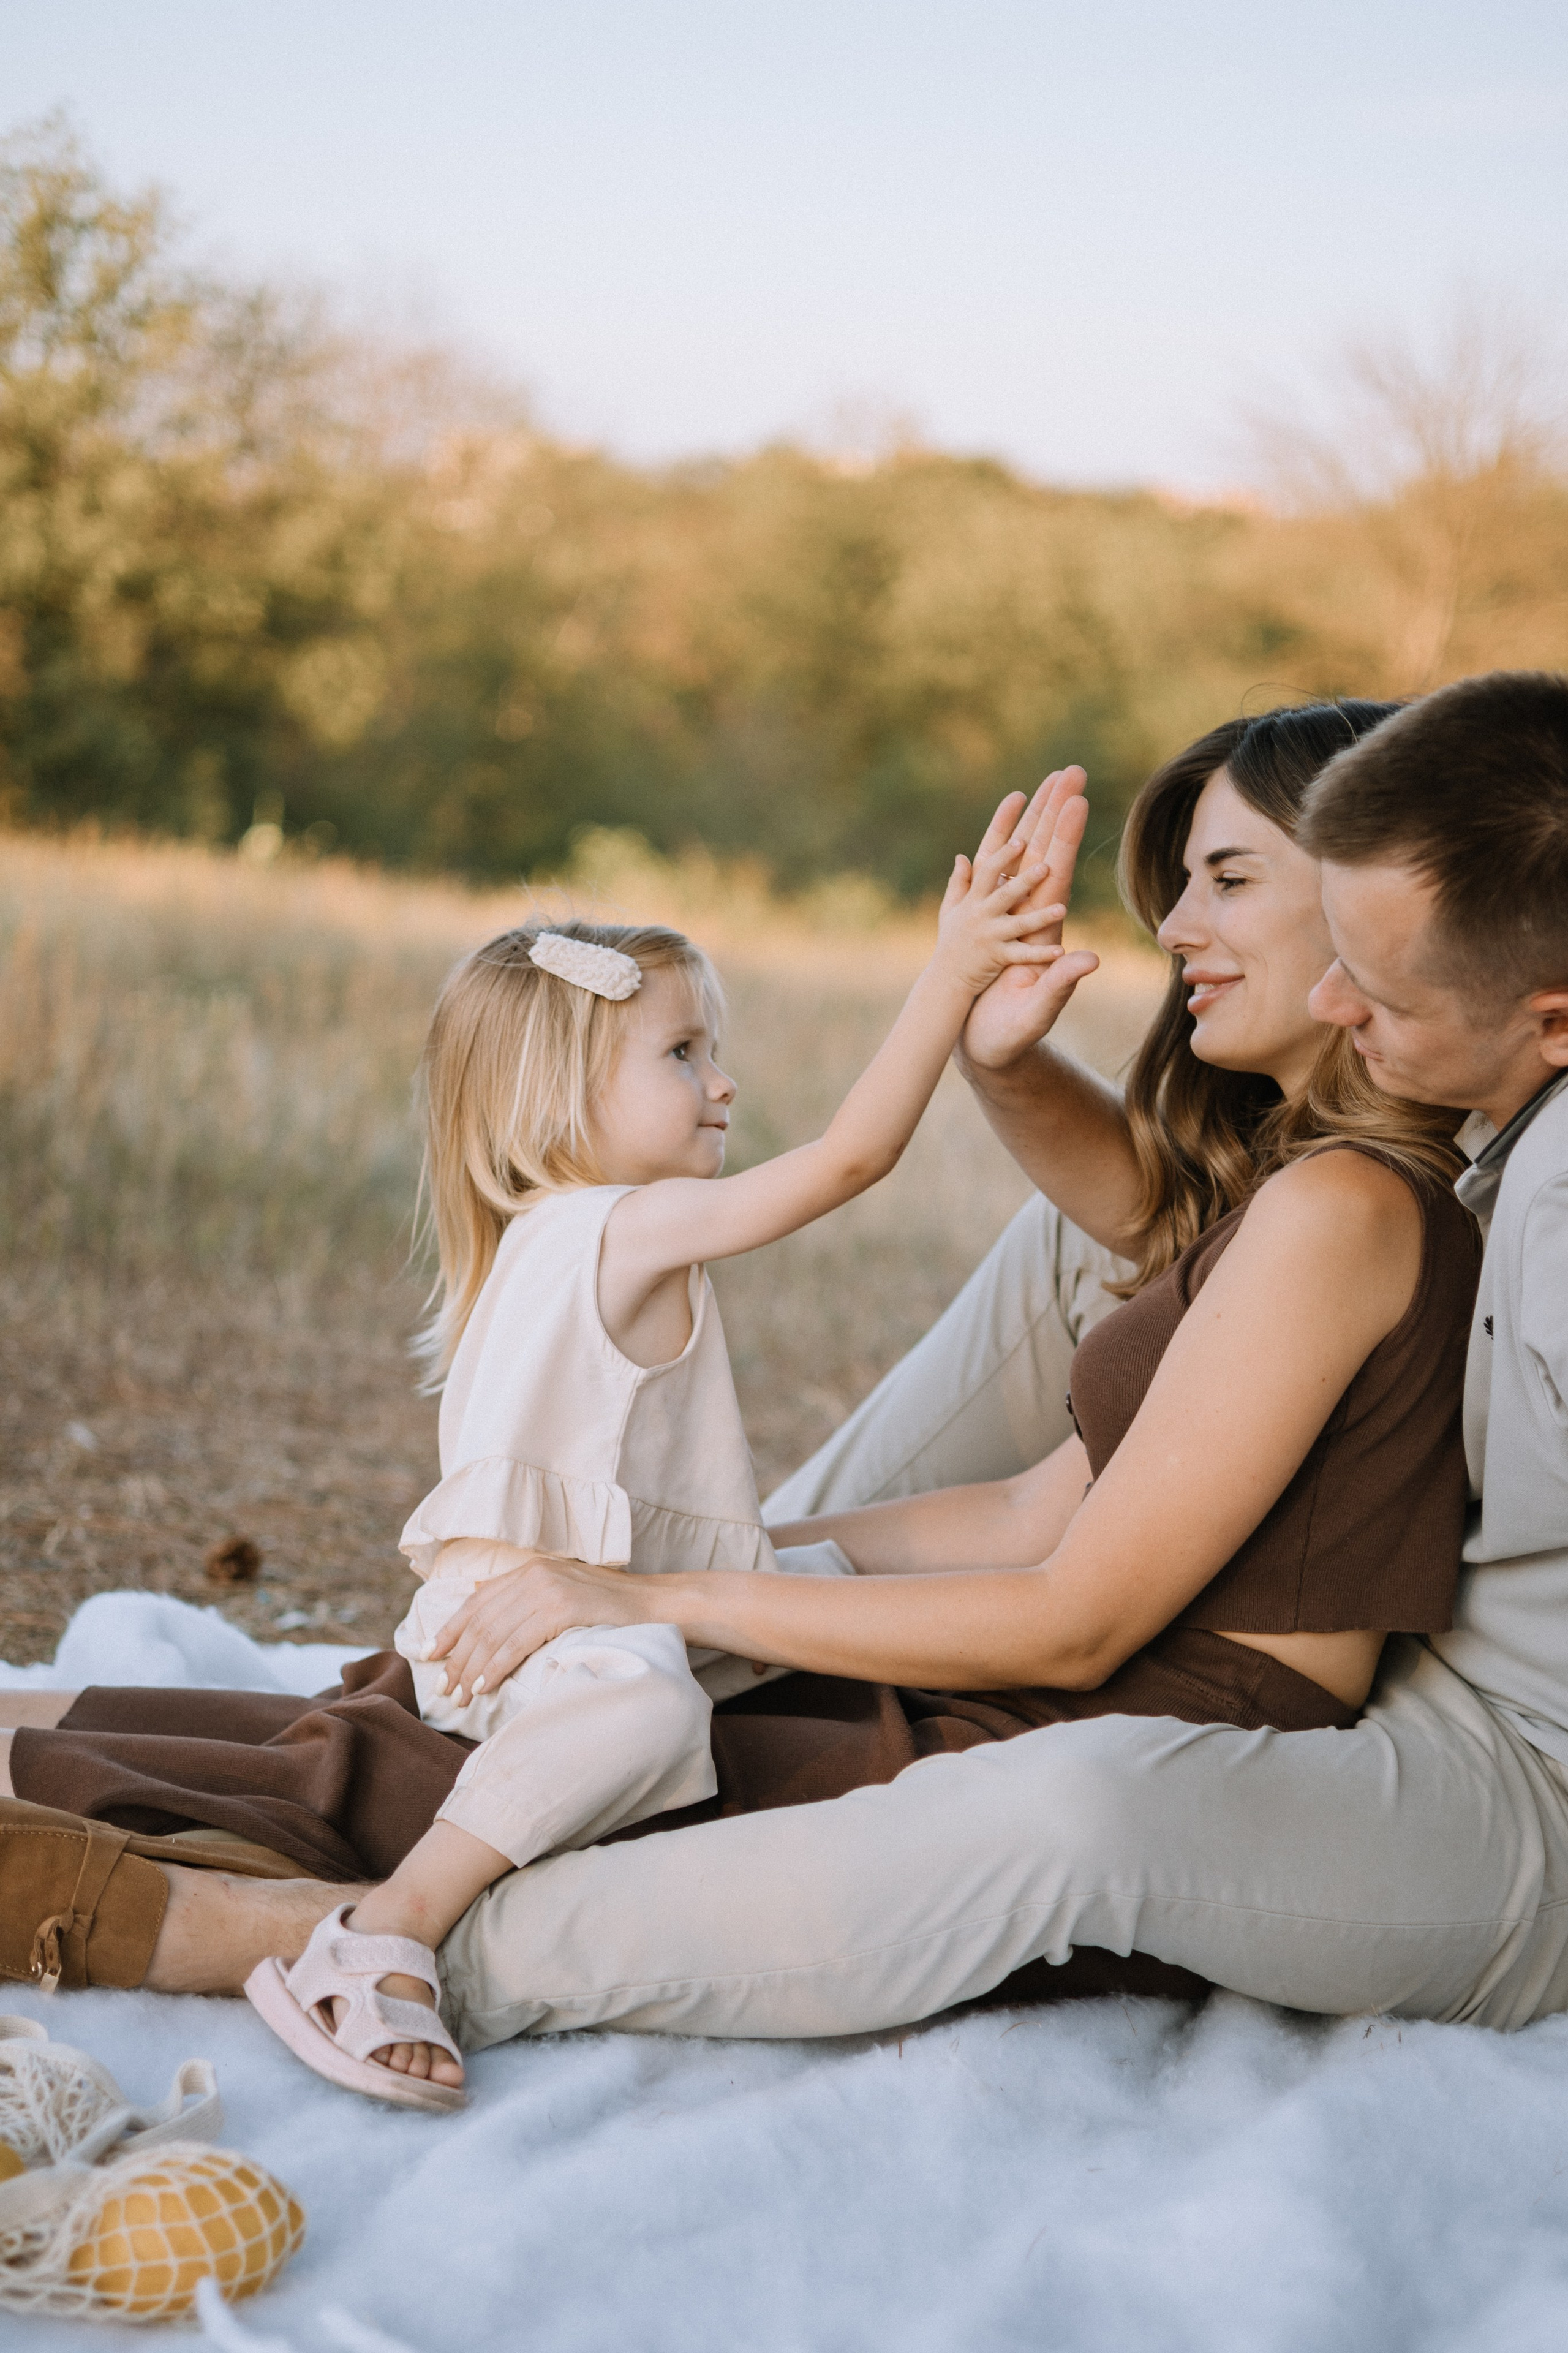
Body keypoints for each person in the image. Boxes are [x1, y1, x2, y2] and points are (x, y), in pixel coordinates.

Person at [1, 694, 1487, 2050]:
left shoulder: (1341, 1210)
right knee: (512, 1695)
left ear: (1373, 899)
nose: (1171, 924)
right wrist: (725, 1566)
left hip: (1153, 1727)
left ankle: (104, 1872)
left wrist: (663, 1596)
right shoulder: (1283, 1191)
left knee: (606, 1757)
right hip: (1102, 1674)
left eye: (1226, 878)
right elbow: (1047, 1508)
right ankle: (53, 1739)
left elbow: (1077, 1617)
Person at [241, 807, 1070, 2105]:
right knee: (646, 1702)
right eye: (682, 1053)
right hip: (540, 1629)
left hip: (578, 1599)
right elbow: (851, 1157)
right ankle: (391, 1921)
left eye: (711, 1050)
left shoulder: (547, 1230)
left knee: (832, 1584)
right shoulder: (621, 1227)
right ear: (561, 1092)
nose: (721, 1081)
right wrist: (949, 974)